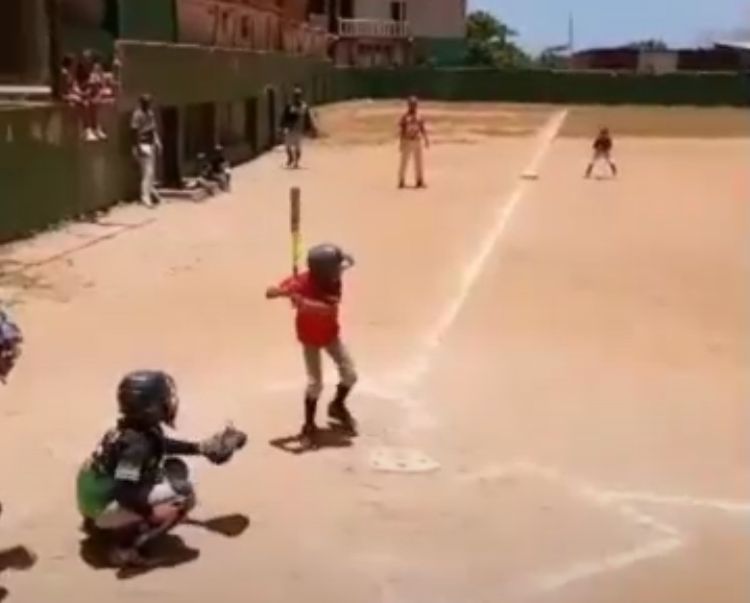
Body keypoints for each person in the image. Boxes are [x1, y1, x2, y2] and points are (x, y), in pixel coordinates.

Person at [76, 370, 247, 568]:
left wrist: (198, 448)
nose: (168, 402)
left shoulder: (133, 429)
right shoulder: (136, 446)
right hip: (102, 505)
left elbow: (159, 444)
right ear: (150, 408)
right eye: (163, 399)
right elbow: (124, 492)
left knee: (173, 469)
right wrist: (153, 512)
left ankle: (112, 526)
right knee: (182, 497)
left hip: (94, 496)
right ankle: (124, 549)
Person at [265, 244, 358, 446]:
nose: (338, 271)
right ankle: (308, 425)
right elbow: (269, 293)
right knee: (315, 384)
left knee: (350, 374)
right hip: (309, 338)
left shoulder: (333, 281)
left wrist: (301, 301)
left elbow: (326, 307)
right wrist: (283, 292)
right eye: (335, 268)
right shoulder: (301, 283)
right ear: (323, 271)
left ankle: (337, 405)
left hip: (331, 335)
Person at [130, 94, 163, 207]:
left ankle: (151, 191)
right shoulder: (137, 114)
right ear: (141, 103)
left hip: (150, 143)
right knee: (147, 172)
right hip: (142, 144)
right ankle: (145, 196)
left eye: (149, 102)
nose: (147, 105)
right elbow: (134, 132)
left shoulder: (150, 113)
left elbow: (153, 129)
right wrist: (136, 147)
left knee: (150, 172)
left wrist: (157, 141)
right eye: (145, 102)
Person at [280, 87, 316, 169]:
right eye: (295, 95)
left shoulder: (304, 106)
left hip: (299, 129)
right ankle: (290, 158)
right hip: (290, 129)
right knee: (287, 146)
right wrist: (282, 126)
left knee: (298, 147)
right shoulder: (289, 106)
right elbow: (284, 116)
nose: (296, 97)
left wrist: (310, 127)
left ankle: (296, 162)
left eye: (298, 95)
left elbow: (307, 117)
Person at [398, 96, 429, 189]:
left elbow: (422, 128)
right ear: (408, 105)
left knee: (419, 162)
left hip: (417, 140)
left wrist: (426, 139)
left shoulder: (419, 116)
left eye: (415, 104)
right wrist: (401, 142)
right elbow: (402, 130)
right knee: (404, 162)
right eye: (412, 104)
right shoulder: (405, 117)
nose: (413, 106)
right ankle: (401, 181)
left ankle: (419, 180)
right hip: (407, 140)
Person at [0, 311, 22, 384]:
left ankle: (3, 373)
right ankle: (3, 373)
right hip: (5, 343)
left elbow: (18, 336)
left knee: (12, 358)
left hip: (6, 344)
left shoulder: (9, 325)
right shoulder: (8, 326)